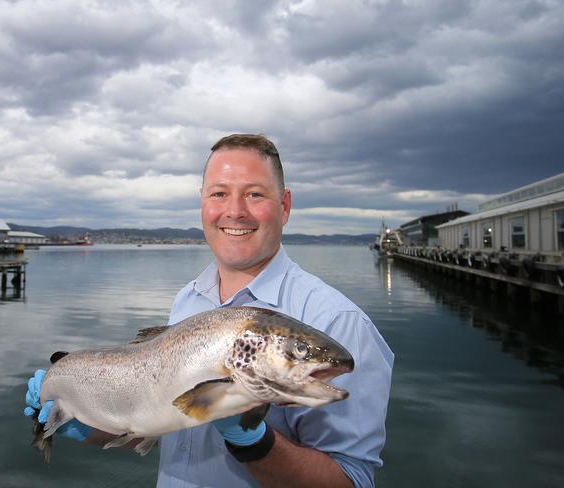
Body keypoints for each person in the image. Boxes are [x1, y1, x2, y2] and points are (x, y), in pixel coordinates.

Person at [25, 134, 394, 488]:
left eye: (254, 194)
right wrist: (85, 419)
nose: (235, 211)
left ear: (284, 207)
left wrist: (256, 441)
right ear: (203, 203)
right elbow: (156, 417)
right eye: (219, 193)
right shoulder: (189, 300)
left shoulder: (339, 322)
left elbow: (351, 481)